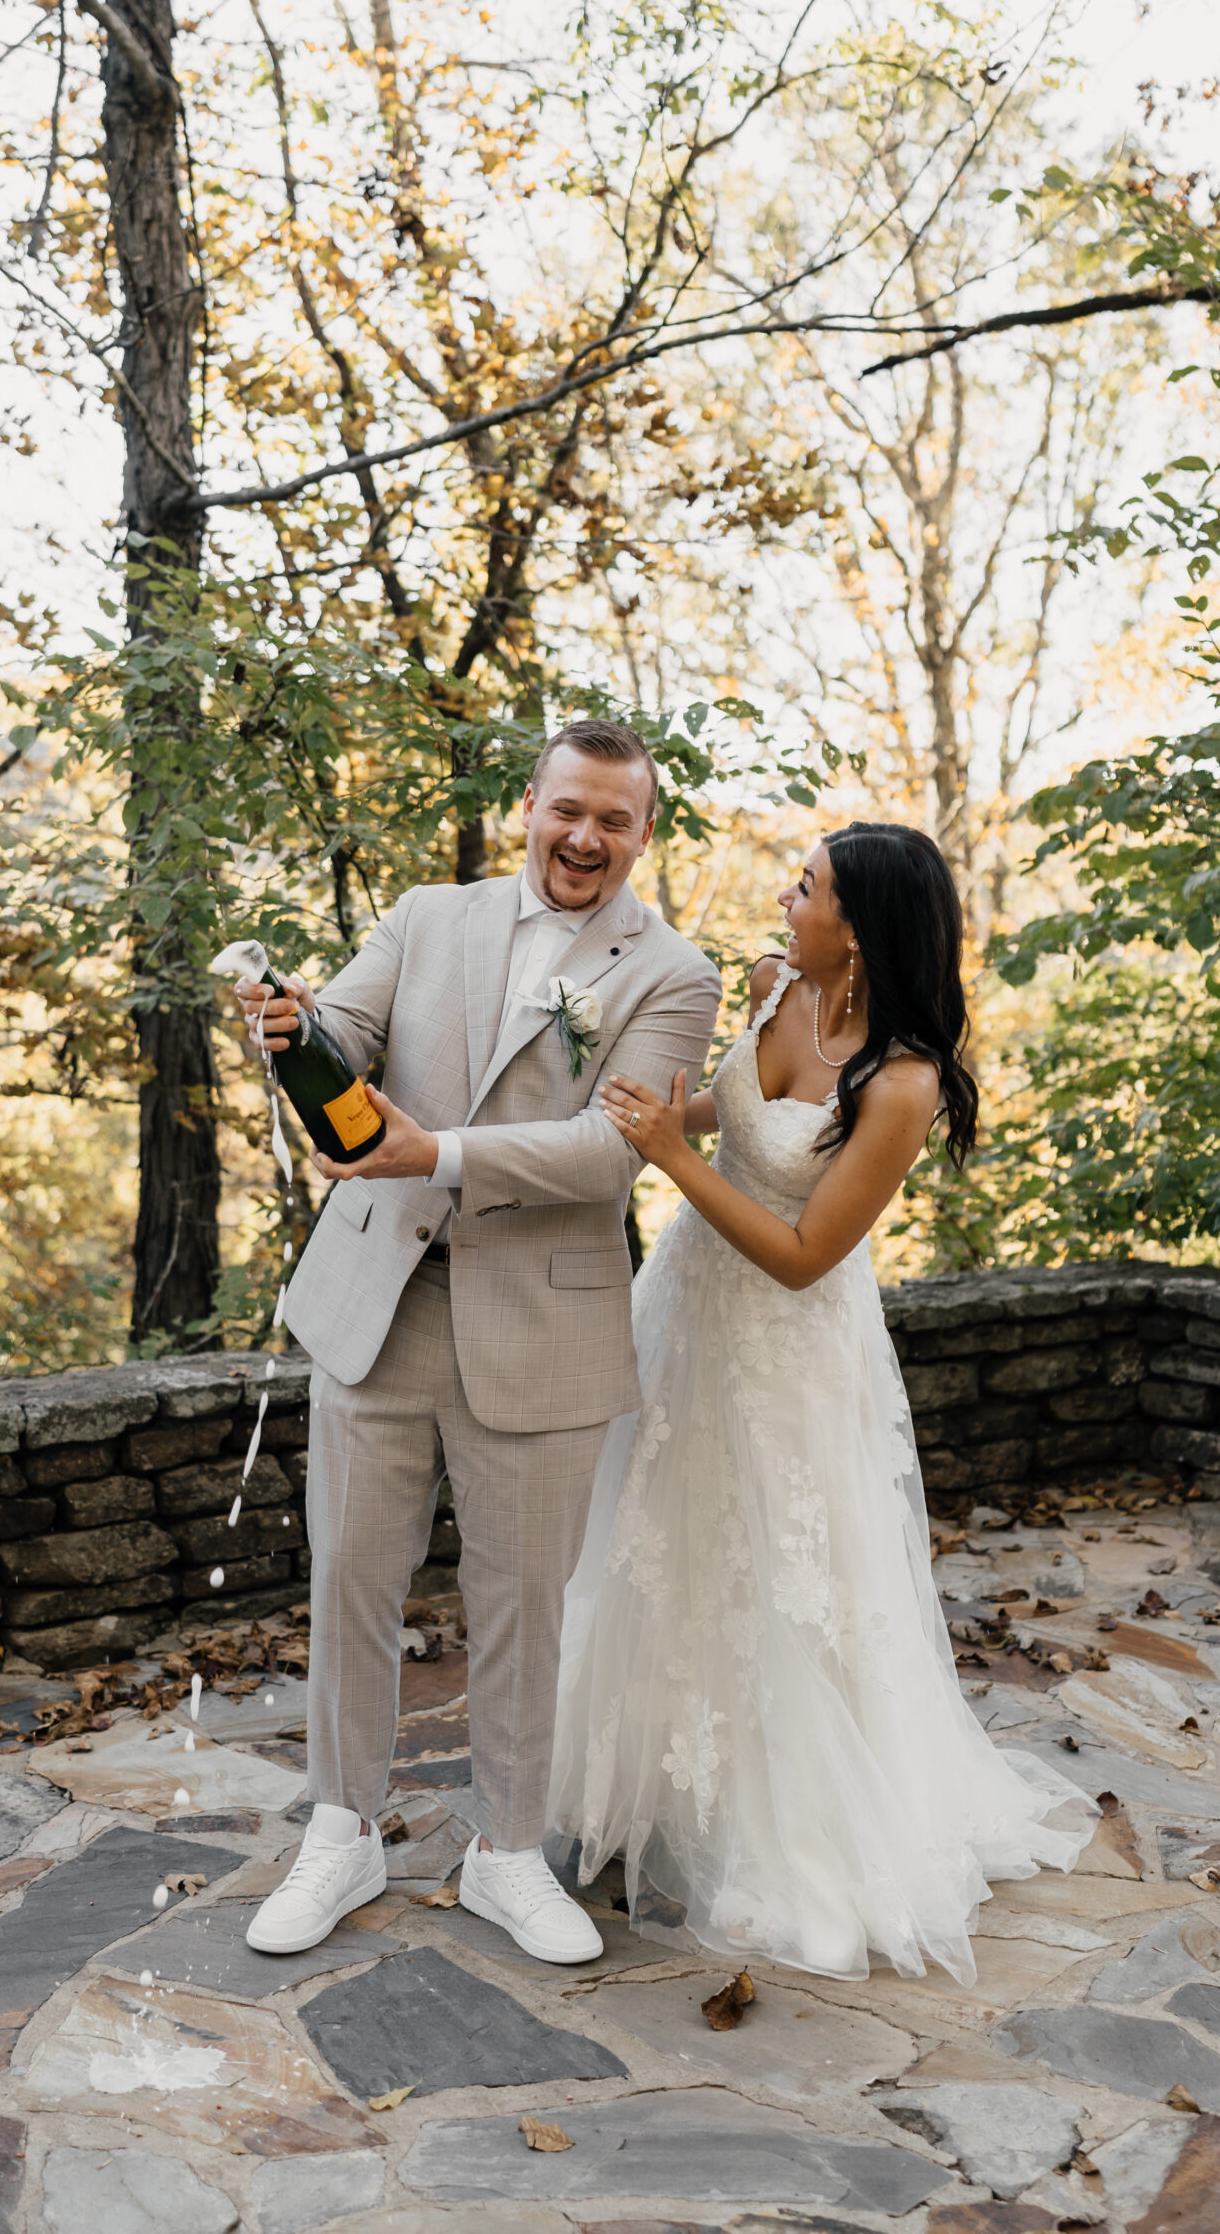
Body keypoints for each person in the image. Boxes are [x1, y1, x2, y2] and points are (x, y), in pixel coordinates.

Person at [548, 822, 1094, 1980]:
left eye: (809, 888)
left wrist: (672, 1160)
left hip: (788, 1343)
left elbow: (802, 1252)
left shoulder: (903, 1084)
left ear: (861, 926)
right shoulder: (772, 983)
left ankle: (785, 1831)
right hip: (685, 1304)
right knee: (656, 1539)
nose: (786, 899)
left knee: (780, 1572)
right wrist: (633, 1102)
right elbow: (724, 1118)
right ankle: (638, 1792)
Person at [234, 720, 721, 1965]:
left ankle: (508, 1851)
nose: (585, 839)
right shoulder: (424, 915)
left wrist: (433, 1150)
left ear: (643, 833)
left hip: (544, 1316)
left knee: (522, 1603)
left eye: (615, 820)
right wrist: (286, 1024)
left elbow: (615, 1146)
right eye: (569, 809)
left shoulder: (673, 973)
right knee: (350, 1576)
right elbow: (340, 1028)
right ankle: (340, 1832)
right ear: (530, 805)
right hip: (379, 1299)